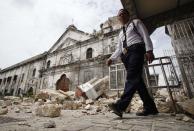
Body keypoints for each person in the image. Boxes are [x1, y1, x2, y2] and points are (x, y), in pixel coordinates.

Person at [107, 9, 158, 118]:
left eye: (122, 13)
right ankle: (150, 108)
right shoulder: (120, 33)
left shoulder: (136, 23)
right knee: (138, 82)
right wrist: (111, 58)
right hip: (126, 56)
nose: (120, 16)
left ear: (128, 15)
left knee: (131, 77)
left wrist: (149, 50)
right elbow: (119, 48)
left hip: (136, 50)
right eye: (119, 15)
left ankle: (120, 106)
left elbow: (145, 35)